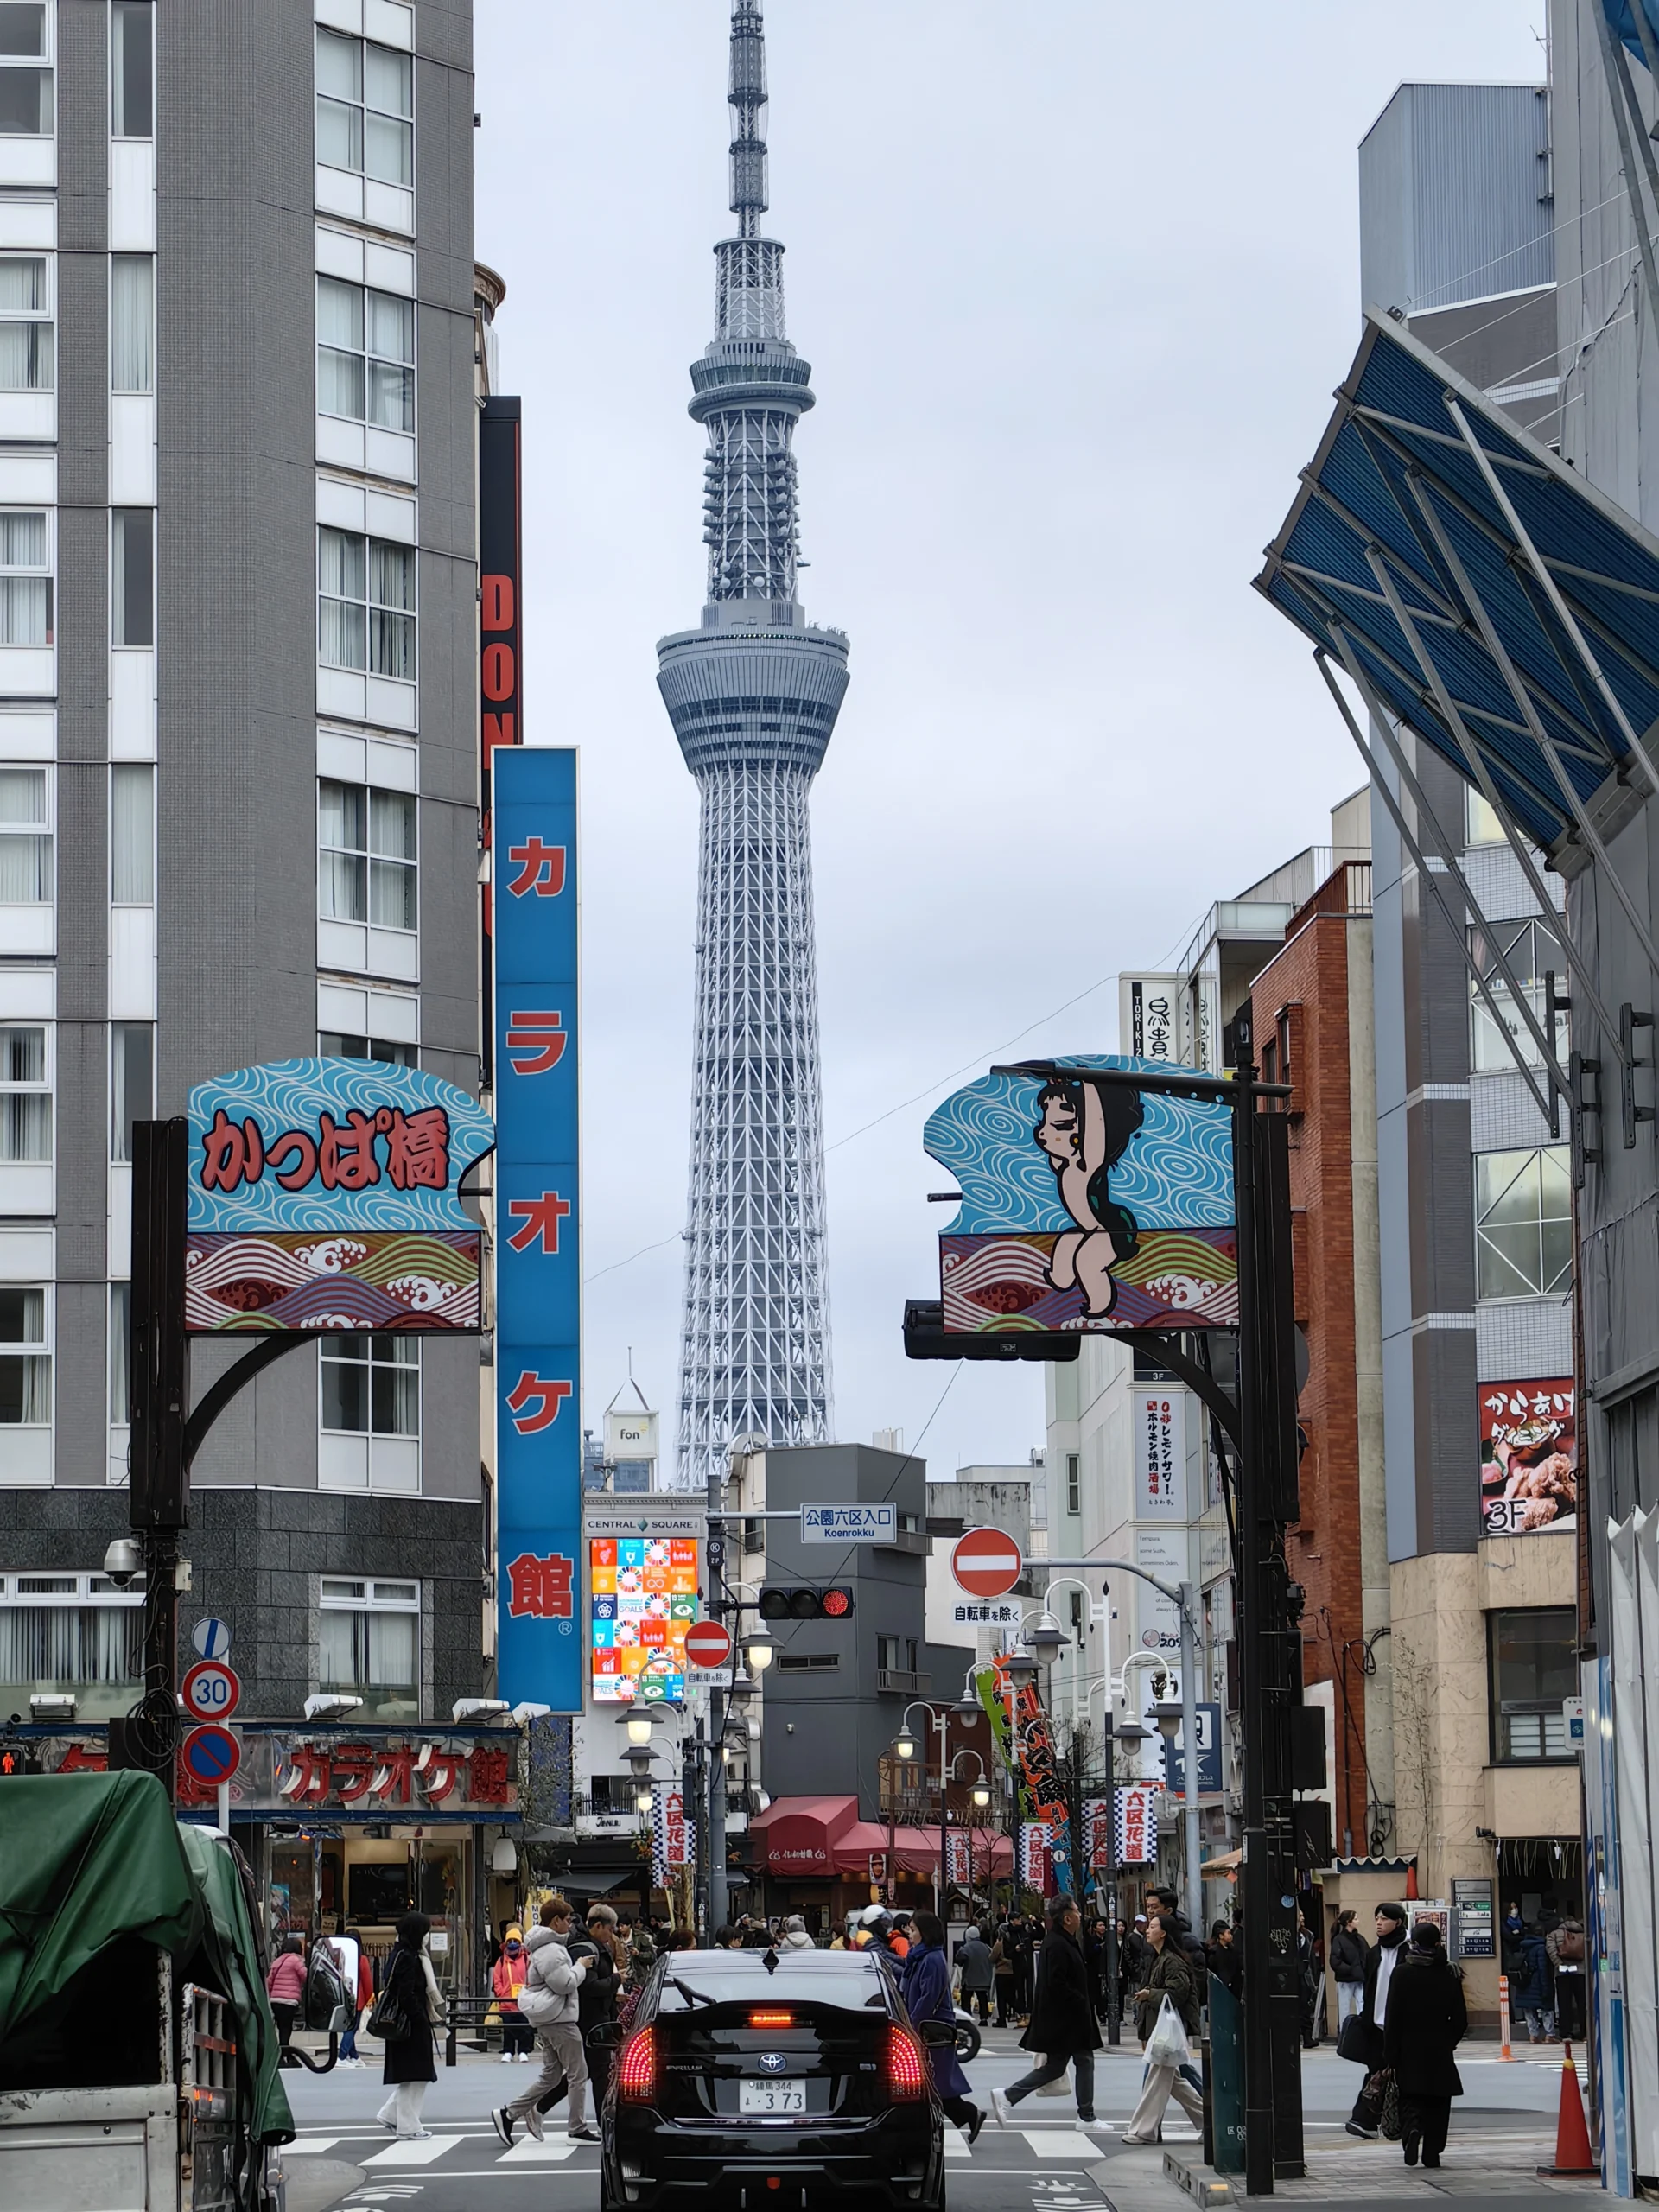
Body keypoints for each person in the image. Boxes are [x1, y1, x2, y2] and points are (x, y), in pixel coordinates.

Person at [990, 1896, 1102, 2126]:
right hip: (1066, 2018)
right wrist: (1079, 2000)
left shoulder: (1063, 1940)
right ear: (1067, 1918)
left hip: (1067, 2017)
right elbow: (1056, 1982)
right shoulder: (1058, 1944)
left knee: (1062, 2065)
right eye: (1078, 1912)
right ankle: (1086, 2116)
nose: (1081, 1916)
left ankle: (1010, 2096)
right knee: (1078, 2061)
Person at [492, 1897, 593, 2147]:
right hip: (560, 2019)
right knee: (578, 2073)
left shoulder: (544, 1946)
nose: (570, 1925)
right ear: (556, 1921)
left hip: (548, 2018)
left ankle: (510, 2113)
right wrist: (581, 1967)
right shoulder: (551, 1949)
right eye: (568, 1920)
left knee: (552, 2074)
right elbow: (565, 1983)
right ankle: (577, 2127)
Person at [1382, 1918, 1466, 2170]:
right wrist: (1448, 2040)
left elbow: (1392, 2015)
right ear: (1438, 1943)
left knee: (1410, 2097)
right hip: (1439, 2047)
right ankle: (1433, 2153)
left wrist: (1391, 2051)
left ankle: (1413, 2130)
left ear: (1414, 1944)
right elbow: (1461, 2018)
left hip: (1408, 2047)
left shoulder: (1402, 1973)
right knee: (1439, 2102)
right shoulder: (1449, 1972)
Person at [1121, 1914, 1206, 2144]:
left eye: (1152, 1927)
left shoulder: (1172, 1961)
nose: (1147, 1930)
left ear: (1164, 1933)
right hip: (1162, 2030)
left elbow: (1178, 1993)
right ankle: (1212, 2121)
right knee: (1174, 2083)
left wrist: (1150, 1994)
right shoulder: (1159, 1958)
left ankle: (1143, 2131)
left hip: (1168, 2031)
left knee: (1157, 2080)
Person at [901, 1912, 985, 2142]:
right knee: (930, 2081)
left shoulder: (931, 1959)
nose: (910, 1935)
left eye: (914, 1930)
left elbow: (928, 1999)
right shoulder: (920, 1957)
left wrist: (911, 2024)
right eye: (909, 1930)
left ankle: (966, 2115)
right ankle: (967, 2115)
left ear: (925, 1932)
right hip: (926, 2025)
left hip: (932, 2028)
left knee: (932, 2081)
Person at [1343, 1902, 1409, 2139]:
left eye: (1385, 1918)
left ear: (1398, 1922)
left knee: (1395, 2076)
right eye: (1377, 1918)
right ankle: (1365, 2121)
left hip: (1401, 2028)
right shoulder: (1375, 1952)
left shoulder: (1408, 1951)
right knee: (1377, 2073)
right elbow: (1370, 1989)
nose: (1379, 1923)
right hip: (1376, 2025)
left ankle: (1387, 2121)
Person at [375, 1913, 444, 2140]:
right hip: (410, 2024)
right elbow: (406, 1993)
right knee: (416, 2076)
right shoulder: (409, 1957)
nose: (427, 1937)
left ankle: (390, 2115)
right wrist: (419, 2017)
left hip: (402, 2025)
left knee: (413, 2074)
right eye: (425, 1932)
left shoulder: (400, 1954)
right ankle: (408, 2126)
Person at [492, 1924, 533, 2061]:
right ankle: (508, 2051)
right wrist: (501, 1992)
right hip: (507, 2001)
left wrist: (529, 1989)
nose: (513, 1944)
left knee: (525, 2028)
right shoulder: (502, 1960)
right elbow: (497, 1978)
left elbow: (532, 1976)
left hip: (523, 2000)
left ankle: (523, 2051)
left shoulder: (527, 1959)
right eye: (510, 1941)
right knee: (508, 2028)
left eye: (516, 1941)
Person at [1548, 1913, 1587, 2042]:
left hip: (1562, 1972)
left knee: (1564, 2003)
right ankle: (1585, 2033)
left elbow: (1551, 1949)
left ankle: (1566, 2033)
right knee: (1583, 2003)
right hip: (1580, 1972)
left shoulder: (1554, 1933)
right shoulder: (1583, 1934)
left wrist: (1559, 1964)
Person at [1515, 1920, 1556, 2044]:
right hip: (1537, 1983)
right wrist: (1546, 1986)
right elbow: (1543, 1969)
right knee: (1546, 2009)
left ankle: (1533, 2035)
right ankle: (1549, 2035)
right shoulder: (1541, 1948)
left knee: (1529, 2009)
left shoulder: (1522, 1946)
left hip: (1524, 1983)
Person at [264, 1935, 306, 2050]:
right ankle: (284, 2053)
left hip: (275, 2000)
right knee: (286, 2028)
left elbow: (269, 1981)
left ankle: (283, 2052)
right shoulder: (295, 1960)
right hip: (289, 2000)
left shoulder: (277, 1961)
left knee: (281, 2026)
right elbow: (305, 1975)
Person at [1330, 1909, 1368, 2030]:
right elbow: (1335, 1961)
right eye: (1355, 1919)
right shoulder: (1339, 1939)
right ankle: (1344, 2035)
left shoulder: (1359, 1938)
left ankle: (1362, 2033)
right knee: (1344, 2009)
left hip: (1360, 1977)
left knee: (1363, 2005)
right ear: (1348, 1922)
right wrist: (1350, 1969)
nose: (1358, 1921)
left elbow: (1367, 1954)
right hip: (1347, 1979)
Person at [955, 1923, 994, 2024]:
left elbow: (959, 1959)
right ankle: (984, 2019)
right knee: (982, 1998)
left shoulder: (966, 1948)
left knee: (966, 1998)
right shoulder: (986, 1947)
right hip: (984, 1979)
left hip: (969, 1979)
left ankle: (966, 2017)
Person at [1206, 1920, 1242, 1999]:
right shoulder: (1214, 1953)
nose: (1231, 1936)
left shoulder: (1233, 1951)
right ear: (1221, 1936)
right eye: (1228, 1933)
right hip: (1220, 1990)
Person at [991, 1921, 1017, 2025]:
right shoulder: (1014, 1943)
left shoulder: (1000, 1944)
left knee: (1001, 1997)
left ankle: (1002, 2020)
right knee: (1012, 1996)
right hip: (1013, 1972)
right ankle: (1020, 2013)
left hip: (1001, 1972)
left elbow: (992, 1958)